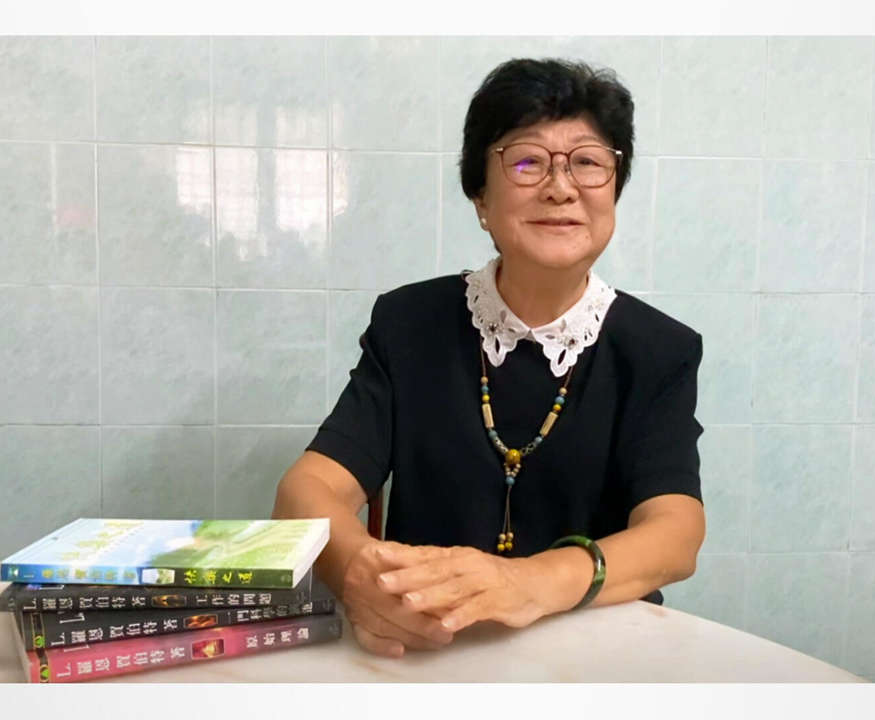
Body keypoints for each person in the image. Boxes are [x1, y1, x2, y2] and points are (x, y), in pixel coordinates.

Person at [272, 57, 705, 658]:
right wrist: (359, 575)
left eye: (587, 163)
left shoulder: (658, 349)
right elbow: (306, 489)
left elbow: (676, 534)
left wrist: (530, 583)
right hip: (432, 649)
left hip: (594, 656)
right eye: (527, 162)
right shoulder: (409, 323)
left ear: (614, 190)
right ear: (480, 196)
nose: (561, 187)